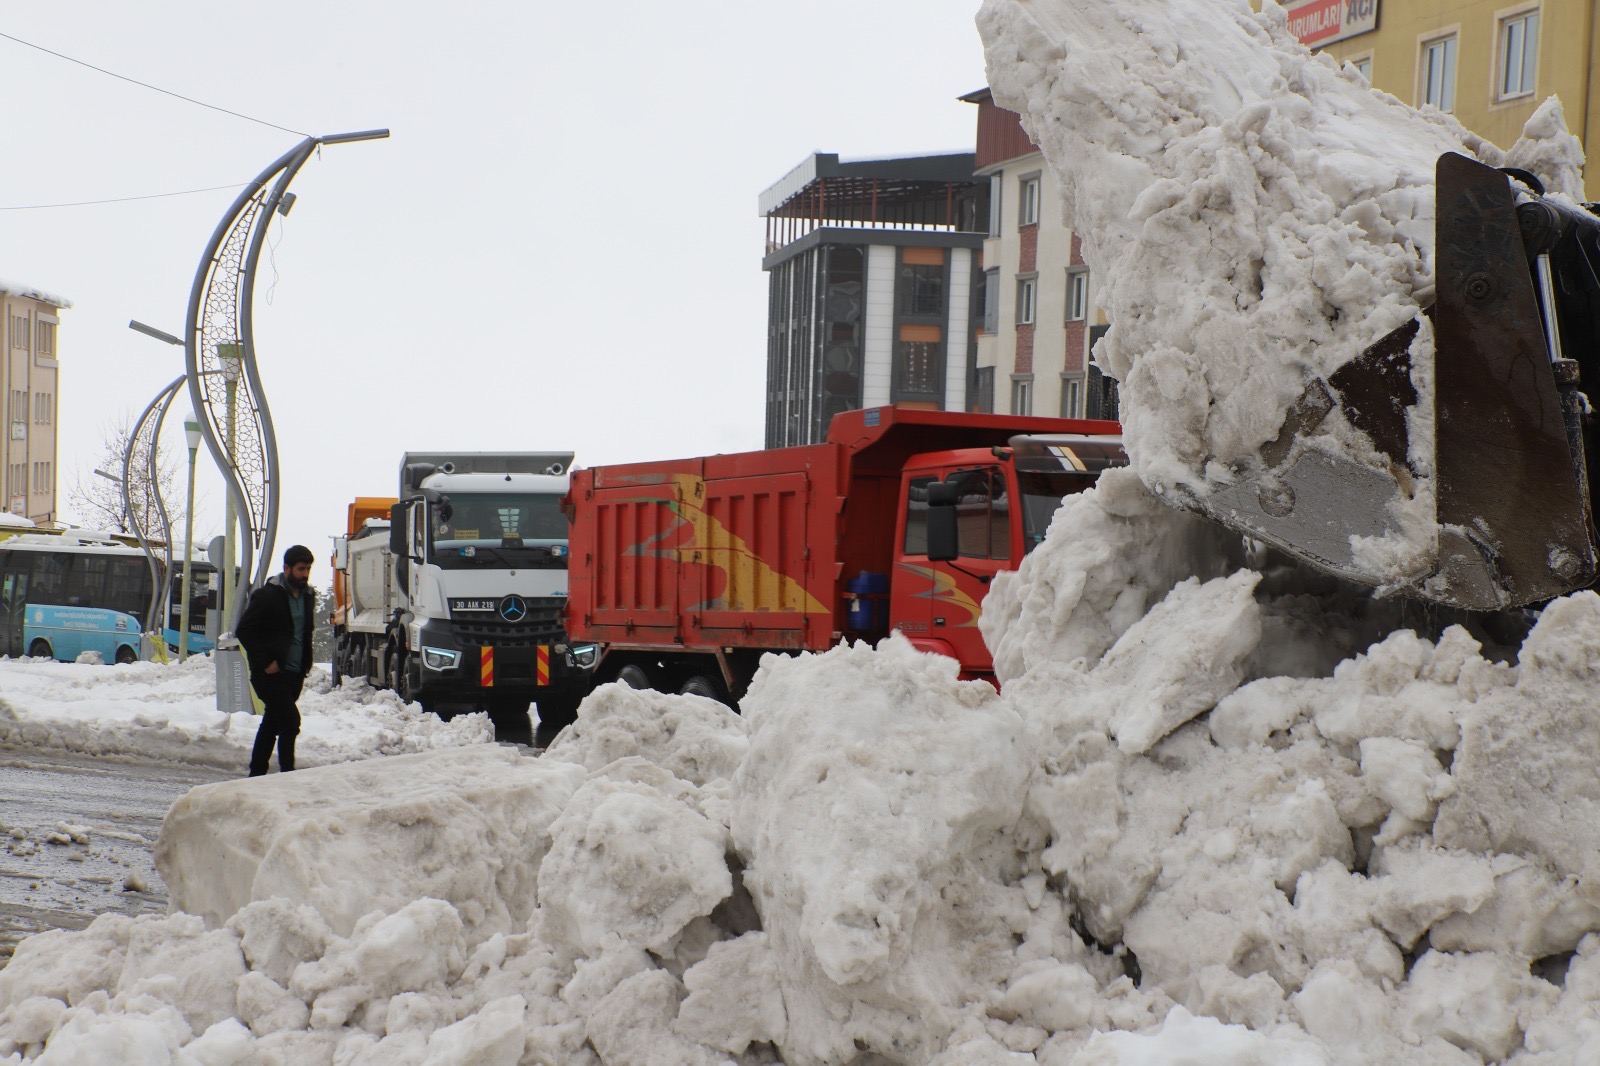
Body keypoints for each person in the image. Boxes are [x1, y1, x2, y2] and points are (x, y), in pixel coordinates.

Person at [238, 544, 317, 776]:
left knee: (272, 723)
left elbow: (304, 632)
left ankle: (257, 774)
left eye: (308, 569)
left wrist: (305, 664)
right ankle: (287, 774)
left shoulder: (308, 596)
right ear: (287, 568)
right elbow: (244, 630)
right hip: (270, 673)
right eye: (301, 569)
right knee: (291, 722)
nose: (305, 574)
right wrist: (265, 661)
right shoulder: (268, 595)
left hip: (294, 673)